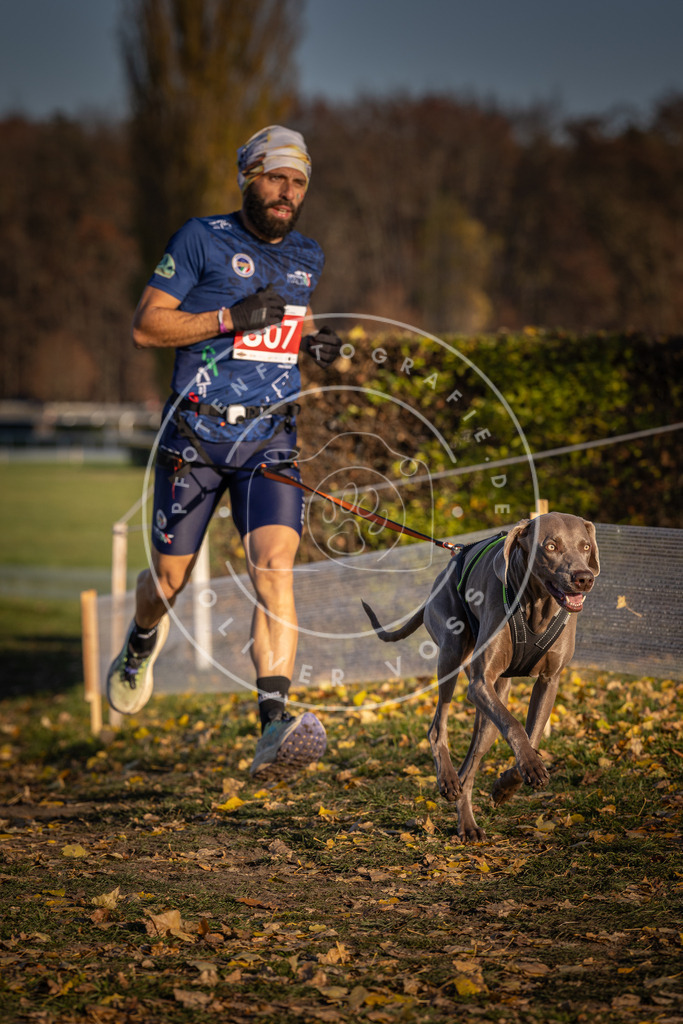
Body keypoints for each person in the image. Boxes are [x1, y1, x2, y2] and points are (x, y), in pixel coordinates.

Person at [107, 125, 342, 781]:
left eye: (297, 182)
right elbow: (147, 325)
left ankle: (272, 725)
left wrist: (315, 342)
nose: (286, 192)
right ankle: (140, 641)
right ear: (248, 177)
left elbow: (293, 319)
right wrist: (229, 318)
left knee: (274, 567)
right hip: (195, 439)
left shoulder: (306, 254)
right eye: (274, 178)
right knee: (169, 582)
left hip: (270, 438)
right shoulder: (199, 238)